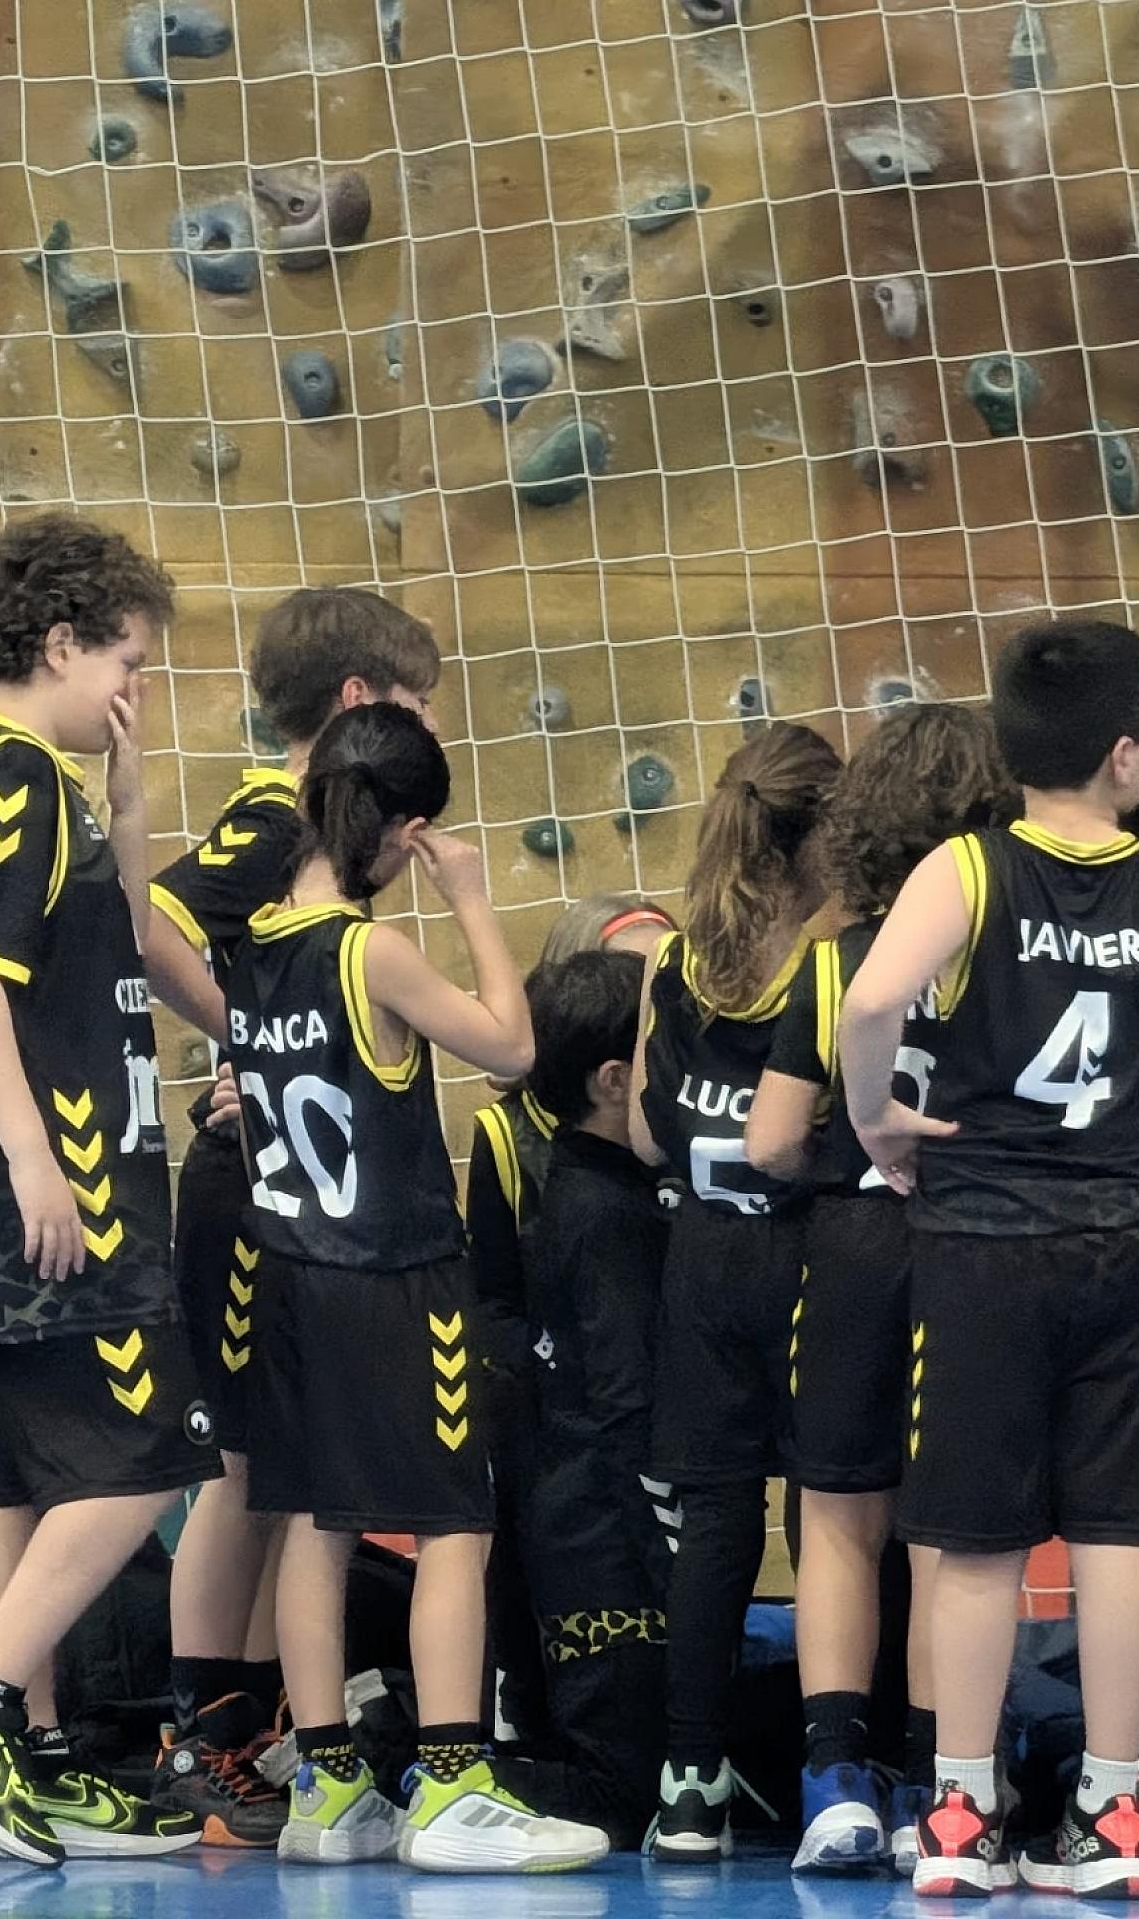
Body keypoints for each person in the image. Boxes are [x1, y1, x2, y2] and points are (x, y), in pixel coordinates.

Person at [838, 620, 1139, 1899]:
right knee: (1120, 1534)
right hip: (1131, 1236)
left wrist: (875, 1116)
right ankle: (1111, 1815)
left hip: (982, 1242)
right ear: (1128, 753)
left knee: (972, 1544)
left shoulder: (965, 867)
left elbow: (869, 1001)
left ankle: (960, 1817)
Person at [0, 513, 209, 1866]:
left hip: (67, 1180)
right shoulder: (4, 773)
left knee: (18, 1478)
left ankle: (38, 1753)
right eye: (127, 660)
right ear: (61, 643)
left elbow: (108, 946)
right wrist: (34, 1159)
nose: (135, 687)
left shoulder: (42, 783)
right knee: (147, 1456)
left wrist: (126, 811)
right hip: (59, 1189)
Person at [227, 701, 605, 1872]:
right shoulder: (370, 951)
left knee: (318, 1523)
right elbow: (512, 1049)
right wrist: (472, 900)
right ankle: (451, 1788)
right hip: (392, 1275)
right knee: (452, 1523)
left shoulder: (253, 939)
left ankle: (329, 1789)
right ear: (405, 831)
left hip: (288, 1275)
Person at [138, 586, 441, 1845]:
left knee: (279, 1469)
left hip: (289, 1188)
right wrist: (251, 1042)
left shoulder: (315, 845)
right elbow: (153, 922)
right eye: (417, 705)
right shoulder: (278, 818)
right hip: (250, 1190)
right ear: (360, 702)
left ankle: (258, 1728)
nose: (432, 729)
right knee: (242, 1467)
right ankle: (203, 1730)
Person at [741, 703, 1019, 1875]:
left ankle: (832, 1782)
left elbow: (765, 1142)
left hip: (853, 1245)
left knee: (836, 1520)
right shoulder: (1009, 950)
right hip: (976, 1243)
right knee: (952, 1535)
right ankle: (934, 1787)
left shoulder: (834, 962)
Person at [628, 721, 844, 1861]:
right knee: (833, 1518)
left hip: (701, 1263)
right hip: (808, 1259)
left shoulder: (673, 961)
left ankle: (687, 1783)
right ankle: (843, 1765)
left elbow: (642, 1136)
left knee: (714, 1527)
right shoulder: (835, 957)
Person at [462, 896, 674, 1770]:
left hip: (607, 1429)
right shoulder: (520, 1144)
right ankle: (524, 1715)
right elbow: (494, 1300)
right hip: (561, 1427)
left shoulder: (654, 1146)